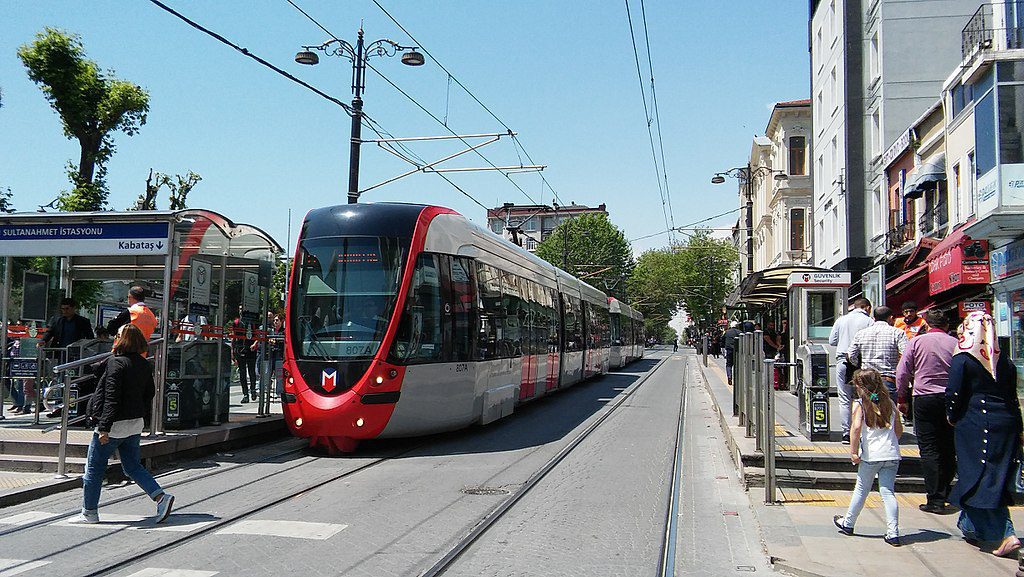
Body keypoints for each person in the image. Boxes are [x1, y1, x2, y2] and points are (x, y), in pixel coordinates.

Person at [70, 324, 174, 525]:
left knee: (94, 468)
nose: (114, 338)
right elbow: (149, 393)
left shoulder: (116, 364)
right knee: (133, 466)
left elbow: (111, 397)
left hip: (113, 426)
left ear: (123, 340)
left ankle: (89, 512)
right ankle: (161, 497)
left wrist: (104, 428)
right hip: (134, 424)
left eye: (117, 335)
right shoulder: (144, 364)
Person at [947, 311, 1023, 557]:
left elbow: (954, 393)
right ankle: (970, 527)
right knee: (990, 475)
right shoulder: (1004, 360)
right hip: (1007, 424)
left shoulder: (964, 359)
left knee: (979, 476)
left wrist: (952, 416)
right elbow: (1012, 395)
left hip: (977, 425)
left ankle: (1004, 532)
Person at [895, 309, 958, 513]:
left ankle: (935, 499)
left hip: (923, 398)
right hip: (951, 398)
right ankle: (946, 489)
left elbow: (903, 371)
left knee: (929, 448)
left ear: (927, 325)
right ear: (947, 326)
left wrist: (902, 398)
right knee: (948, 447)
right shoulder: (955, 343)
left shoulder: (916, 342)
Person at [833, 369, 903, 546]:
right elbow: (898, 430)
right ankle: (893, 533)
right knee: (888, 493)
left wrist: (853, 452)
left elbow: (855, 429)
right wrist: (891, 443)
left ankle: (848, 523)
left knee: (861, 490)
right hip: (892, 454)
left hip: (872, 456)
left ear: (860, 386)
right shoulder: (890, 403)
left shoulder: (860, 404)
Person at [828, 298, 874, 442]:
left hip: (843, 361)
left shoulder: (841, 320)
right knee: (865, 397)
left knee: (844, 398)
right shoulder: (869, 322)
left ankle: (846, 433)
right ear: (866, 308)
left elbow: (832, 341)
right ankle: (864, 431)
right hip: (862, 363)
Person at [847, 306, 907, 404]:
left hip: (867, 380)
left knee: (868, 413)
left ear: (874, 318)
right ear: (890, 318)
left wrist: (860, 366)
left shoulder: (861, 333)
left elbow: (851, 355)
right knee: (888, 415)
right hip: (888, 379)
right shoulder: (898, 333)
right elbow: (906, 355)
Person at [231, 310, 257, 403]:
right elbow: (234, 336)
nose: (241, 311)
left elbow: (257, 335)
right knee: (242, 373)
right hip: (240, 349)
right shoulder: (236, 322)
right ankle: (245, 394)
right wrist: (232, 350)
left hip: (251, 349)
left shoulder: (253, 322)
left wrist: (255, 344)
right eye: (240, 309)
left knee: (251, 371)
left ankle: (253, 389)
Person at [722, 321, 741, 386]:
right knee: (737, 364)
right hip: (737, 351)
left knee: (729, 364)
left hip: (729, 350)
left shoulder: (727, 332)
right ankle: (737, 378)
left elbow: (722, 340)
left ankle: (729, 376)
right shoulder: (740, 332)